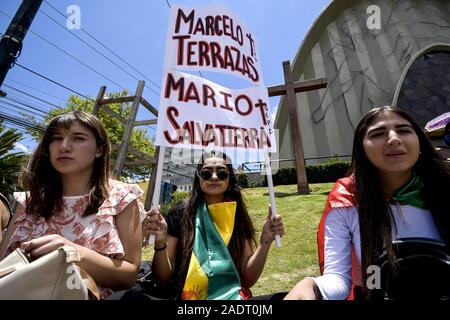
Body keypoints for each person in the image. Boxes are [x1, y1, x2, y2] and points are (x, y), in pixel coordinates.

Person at [285, 106, 450, 300]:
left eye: (404, 130)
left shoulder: (444, 187)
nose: (394, 139)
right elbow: (338, 279)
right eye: (378, 133)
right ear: (361, 149)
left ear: (420, 142)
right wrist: (310, 286)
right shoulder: (347, 199)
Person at [0, 110, 146, 299]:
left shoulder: (123, 198)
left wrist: (72, 252)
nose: (64, 146)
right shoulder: (28, 201)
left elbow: (128, 275)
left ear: (100, 149)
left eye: (78, 138)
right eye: (56, 138)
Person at [143, 150, 285, 300]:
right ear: (198, 178)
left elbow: (248, 280)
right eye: (206, 173)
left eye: (222, 173)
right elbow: (162, 280)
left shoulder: (237, 214)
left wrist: (265, 241)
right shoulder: (180, 212)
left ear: (230, 179)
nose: (214, 177)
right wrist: (160, 243)